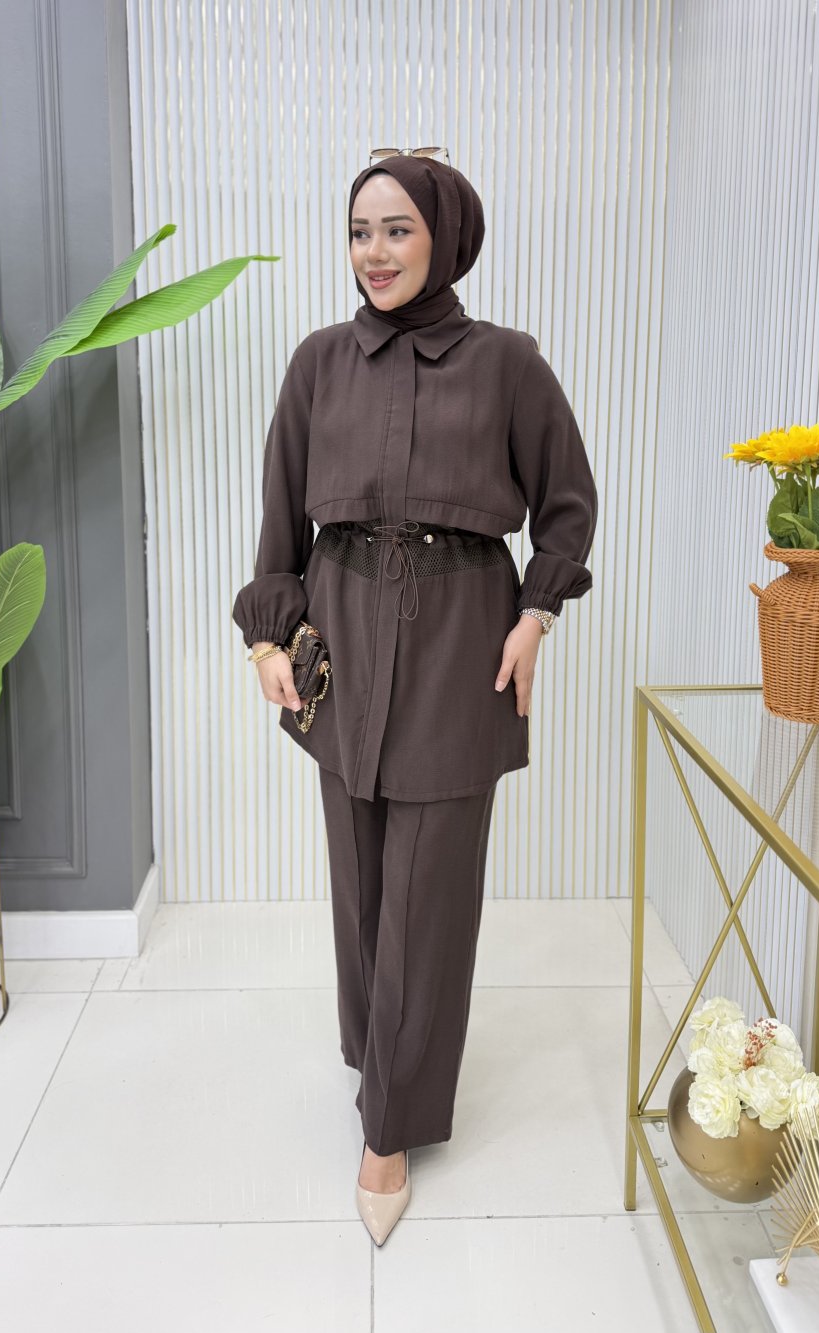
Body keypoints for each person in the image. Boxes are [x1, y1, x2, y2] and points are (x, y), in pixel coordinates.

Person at [232, 150, 598, 1246]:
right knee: (357, 875)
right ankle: (376, 1052)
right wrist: (266, 635)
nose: (374, 252)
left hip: (458, 635)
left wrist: (534, 616)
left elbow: (567, 503)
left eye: (396, 229)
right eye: (359, 231)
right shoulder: (318, 362)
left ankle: (388, 1127)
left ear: (444, 236)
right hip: (340, 628)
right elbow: (282, 512)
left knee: (428, 889)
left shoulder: (508, 364)